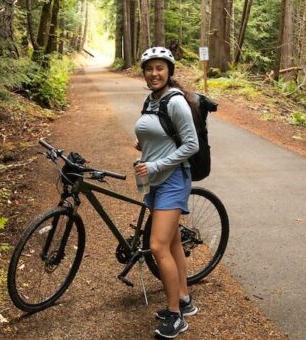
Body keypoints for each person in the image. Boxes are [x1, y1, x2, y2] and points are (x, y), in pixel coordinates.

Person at [133, 46, 199, 338]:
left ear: (169, 71)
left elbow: (191, 145)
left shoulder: (175, 102)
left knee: (157, 246)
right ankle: (183, 300)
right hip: (155, 179)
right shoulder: (151, 100)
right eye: (149, 68)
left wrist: (156, 162)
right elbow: (160, 134)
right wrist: (144, 149)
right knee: (171, 244)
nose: (154, 73)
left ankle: (175, 316)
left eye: (160, 68)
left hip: (172, 179)